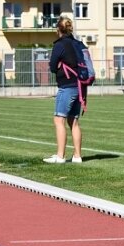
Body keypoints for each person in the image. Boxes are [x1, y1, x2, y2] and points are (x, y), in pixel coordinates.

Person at [44, 16, 84, 163]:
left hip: (66, 87)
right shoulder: (77, 43)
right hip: (79, 86)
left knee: (58, 119)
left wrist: (59, 65)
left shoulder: (60, 45)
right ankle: (77, 156)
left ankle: (60, 156)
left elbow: (52, 66)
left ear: (58, 30)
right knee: (73, 121)